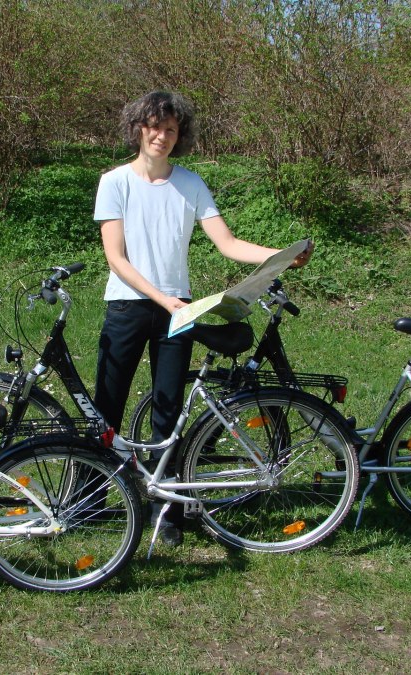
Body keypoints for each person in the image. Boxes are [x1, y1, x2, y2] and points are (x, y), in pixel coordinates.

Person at [92, 91, 313, 545]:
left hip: (180, 310)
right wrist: (160, 298)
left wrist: (282, 256)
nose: (162, 136)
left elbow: (228, 243)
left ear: (180, 135)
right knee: (106, 409)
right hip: (129, 306)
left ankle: (167, 510)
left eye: (171, 130)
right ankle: (91, 496)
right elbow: (116, 258)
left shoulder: (191, 183)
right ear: (139, 128)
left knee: (168, 410)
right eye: (155, 127)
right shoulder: (114, 182)